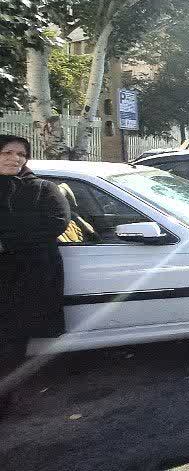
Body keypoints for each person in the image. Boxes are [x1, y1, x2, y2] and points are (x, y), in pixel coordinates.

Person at [0, 135, 70, 418]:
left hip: (27, 275)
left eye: (21, 154)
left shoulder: (42, 189)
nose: (15, 158)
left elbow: (57, 223)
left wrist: (6, 242)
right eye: (7, 152)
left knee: (11, 342)